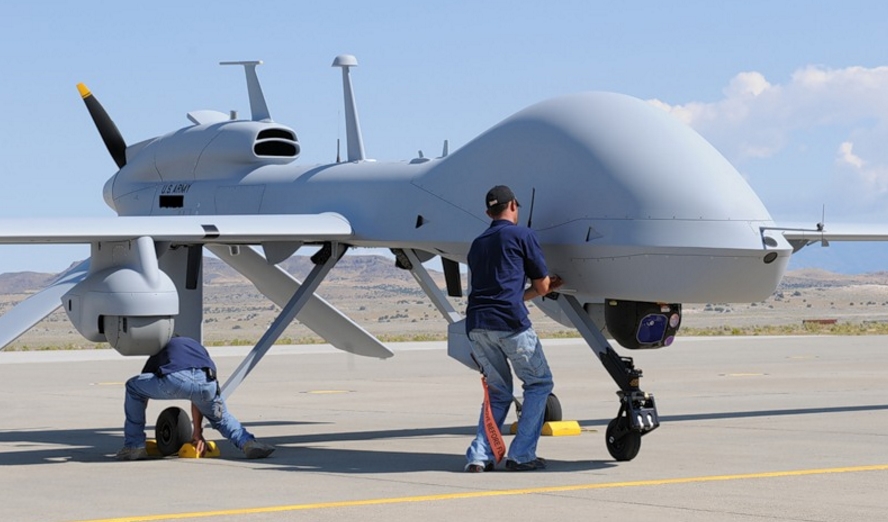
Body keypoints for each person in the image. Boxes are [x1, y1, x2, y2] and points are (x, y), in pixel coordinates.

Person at [464, 185, 563, 472]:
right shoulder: (523, 236)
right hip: (510, 323)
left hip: (477, 325)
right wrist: (548, 287)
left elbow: (500, 292)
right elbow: (541, 286)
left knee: (498, 392)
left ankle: (479, 457)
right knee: (538, 384)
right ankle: (521, 454)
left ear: (488, 213)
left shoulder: (477, 243)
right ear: (513, 205)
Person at [116, 335, 275, 461]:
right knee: (221, 418)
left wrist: (140, 406)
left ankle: (134, 446)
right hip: (207, 382)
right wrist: (197, 433)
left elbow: (146, 383)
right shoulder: (195, 346)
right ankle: (248, 443)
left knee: (133, 388)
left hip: (176, 379)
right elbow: (196, 396)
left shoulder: (162, 347)